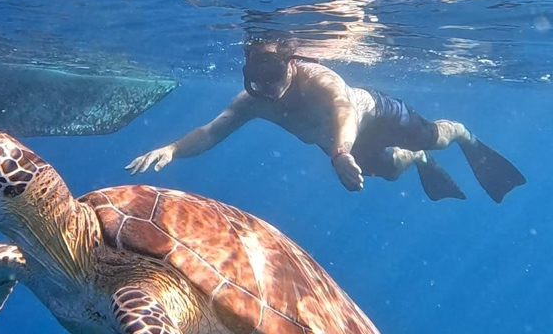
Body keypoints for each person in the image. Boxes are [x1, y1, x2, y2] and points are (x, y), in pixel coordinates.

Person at [125, 39, 526, 203]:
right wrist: (173, 148)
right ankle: (418, 162)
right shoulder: (254, 100)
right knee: (390, 171)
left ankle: (466, 137)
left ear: (291, 63)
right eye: (257, 81)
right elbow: (213, 130)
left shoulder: (317, 79)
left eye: (274, 76)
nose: (268, 89)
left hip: (374, 117)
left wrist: (339, 152)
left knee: (433, 139)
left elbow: (343, 111)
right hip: (342, 150)